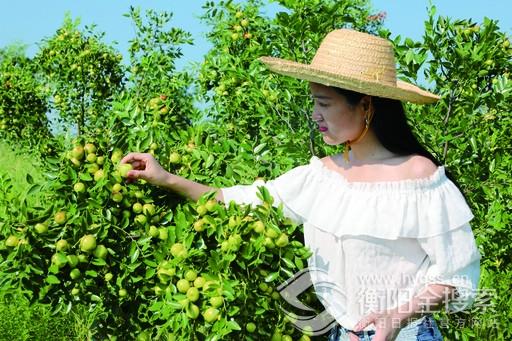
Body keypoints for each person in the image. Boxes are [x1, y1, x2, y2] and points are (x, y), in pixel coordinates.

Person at [121, 29, 481, 341]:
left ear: (366, 104)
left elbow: (457, 278)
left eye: (324, 103)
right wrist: (166, 178)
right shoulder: (319, 177)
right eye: (313, 102)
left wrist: (396, 315)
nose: (314, 115)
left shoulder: (417, 177)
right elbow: (240, 202)